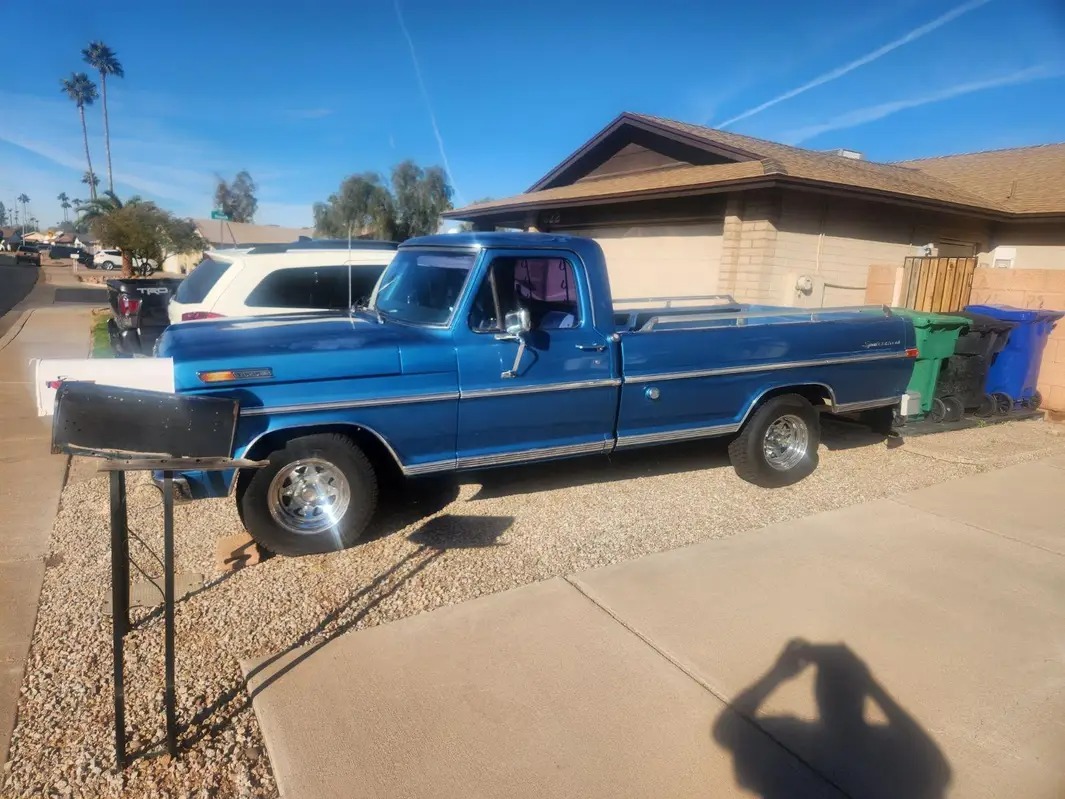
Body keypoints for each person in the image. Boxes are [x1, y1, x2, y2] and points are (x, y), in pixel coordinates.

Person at [713, 639, 951, 799]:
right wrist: (872, 685)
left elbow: (726, 729)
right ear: (861, 695)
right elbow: (934, 766)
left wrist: (777, 674)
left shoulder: (790, 741)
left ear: (818, 694)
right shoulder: (890, 751)